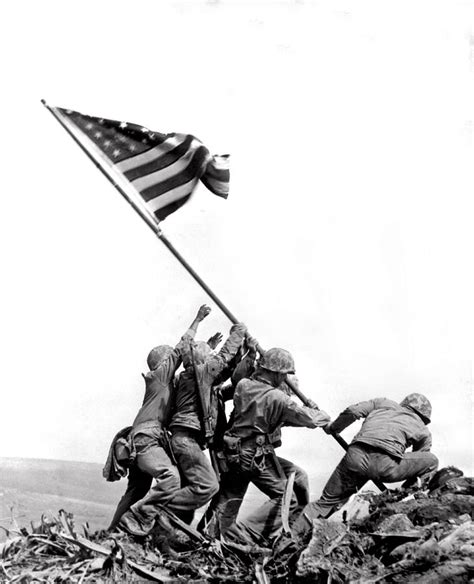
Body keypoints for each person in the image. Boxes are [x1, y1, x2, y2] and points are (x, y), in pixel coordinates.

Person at [121, 321, 248, 533]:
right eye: (209, 355)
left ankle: (163, 534)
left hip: (184, 440)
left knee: (190, 490)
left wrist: (245, 353)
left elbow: (225, 372)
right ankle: (144, 513)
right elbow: (222, 359)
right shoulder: (198, 374)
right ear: (201, 361)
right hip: (185, 440)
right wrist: (238, 333)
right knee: (208, 486)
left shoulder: (194, 379)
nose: (212, 358)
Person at [209, 347, 331, 543]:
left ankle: (209, 537)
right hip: (253, 454)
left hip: (234, 451)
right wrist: (320, 412)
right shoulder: (278, 398)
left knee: (229, 500)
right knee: (287, 498)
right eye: (283, 375)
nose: (284, 379)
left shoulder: (244, 385)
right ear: (275, 373)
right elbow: (310, 419)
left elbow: (274, 415)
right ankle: (244, 535)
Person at [109, 305, 211, 533]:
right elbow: (182, 346)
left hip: (141, 439)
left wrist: (207, 349)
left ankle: (113, 532)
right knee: (171, 477)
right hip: (147, 439)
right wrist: (198, 319)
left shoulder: (164, 384)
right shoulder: (160, 376)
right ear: (163, 362)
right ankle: (139, 520)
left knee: (136, 490)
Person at [302, 393, 439, 521]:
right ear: (424, 417)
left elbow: (353, 411)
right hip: (385, 466)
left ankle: (291, 536)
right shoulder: (423, 429)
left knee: (325, 503)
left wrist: (333, 428)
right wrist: (404, 490)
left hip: (355, 457)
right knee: (432, 461)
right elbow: (420, 460)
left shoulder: (383, 403)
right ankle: (404, 497)